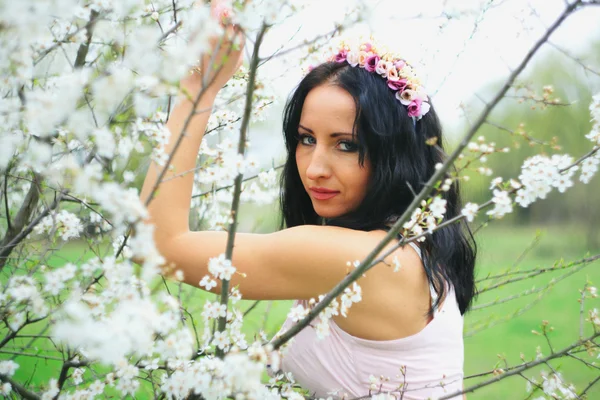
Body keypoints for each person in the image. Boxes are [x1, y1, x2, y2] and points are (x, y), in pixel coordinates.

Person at [139, 3, 476, 399]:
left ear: (394, 154)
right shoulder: (413, 244)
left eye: (346, 145)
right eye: (306, 139)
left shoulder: (368, 259)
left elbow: (156, 243)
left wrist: (198, 88)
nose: (315, 167)